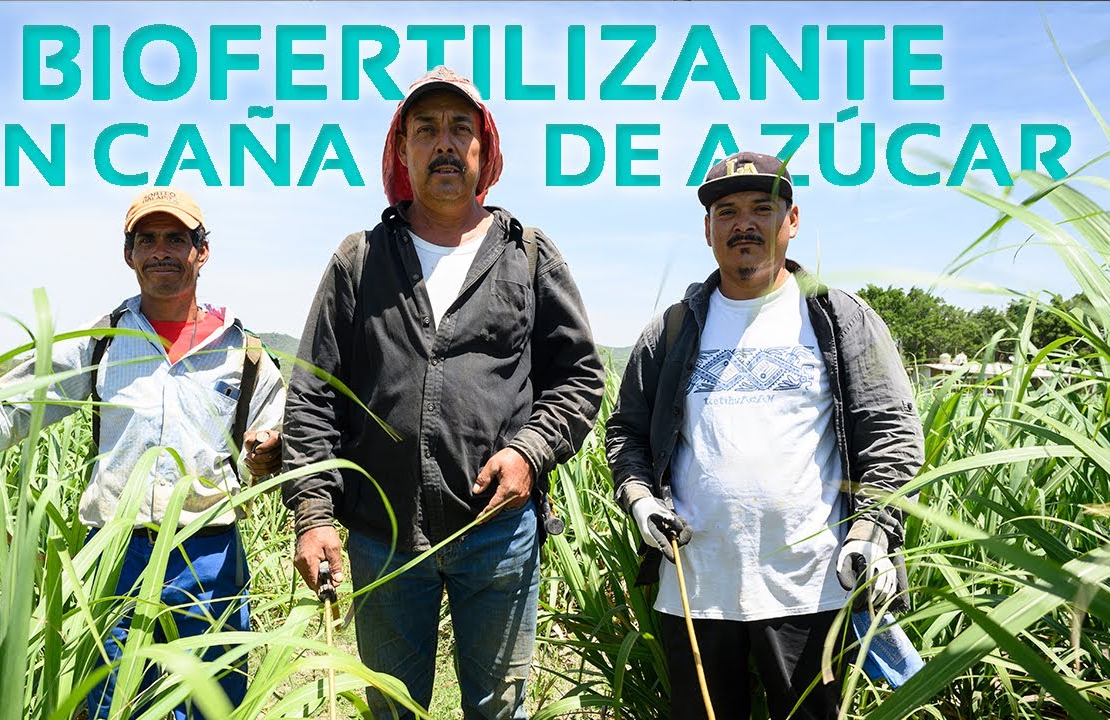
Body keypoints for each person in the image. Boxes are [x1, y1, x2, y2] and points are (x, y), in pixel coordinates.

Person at [282, 66, 605, 720]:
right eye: (425, 129)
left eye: (461, 128)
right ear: (402, 150)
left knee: (499, 709)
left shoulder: (527, 255)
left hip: (498, 534)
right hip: (384, 537)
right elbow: (314, 394)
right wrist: (313, 514)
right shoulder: (360, 260)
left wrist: (529, 452)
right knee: (392, 709)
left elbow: (579, 377)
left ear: (485, 149)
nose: (445, 143)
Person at [0, 187, 286, 720]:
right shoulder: (99, 344)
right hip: (115, 553)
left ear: (202, 252)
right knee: (114, 702)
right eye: (147, 240)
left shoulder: (243, 353)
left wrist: (267, 452)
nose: (161, 251)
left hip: (209, 557)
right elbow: (14, 407)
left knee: (212, 704)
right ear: (129, 254)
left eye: (176, 239)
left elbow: (276, 437)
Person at [605, 152, 924, 719]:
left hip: (814, 588)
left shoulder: (838, 318)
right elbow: (626, 430)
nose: (744, 224)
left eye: (762, 208)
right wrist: (640, 499)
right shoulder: (672, 329)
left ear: (791, 220)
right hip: (695, 591)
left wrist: (872, 530)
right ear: (708, 229)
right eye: (727, 211)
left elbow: (892, 434)